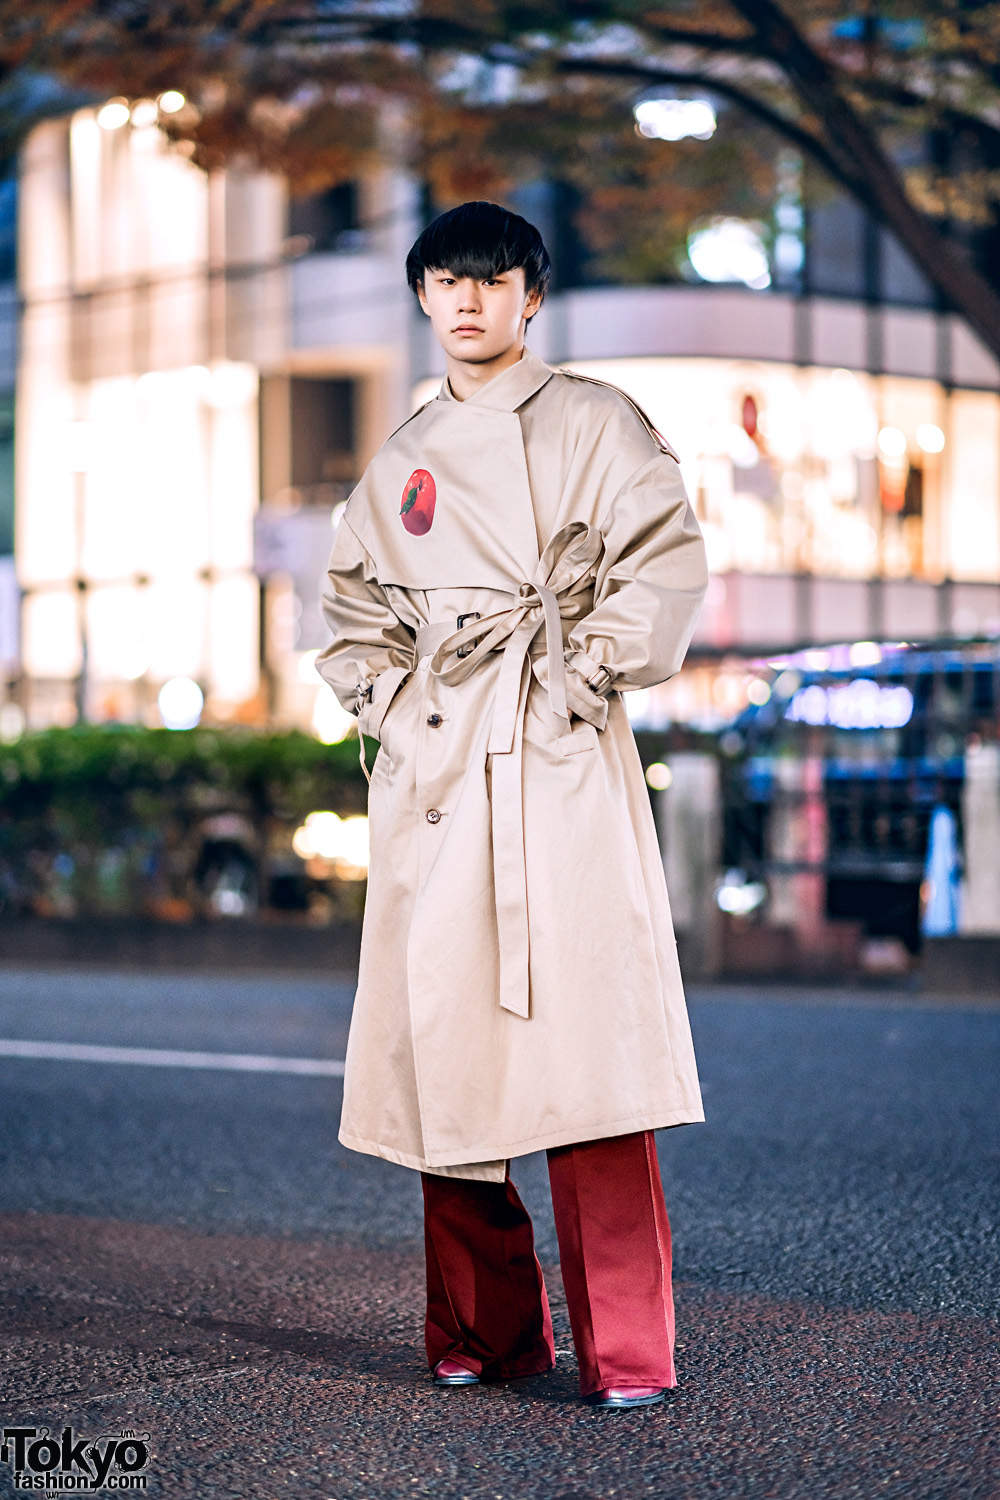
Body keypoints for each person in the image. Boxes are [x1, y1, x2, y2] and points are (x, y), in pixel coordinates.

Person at [317, 201, 708, 1409]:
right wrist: (391, 701)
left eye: (495, 280)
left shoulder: (596, 420)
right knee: (450, 1070)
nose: (472, 300)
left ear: (532, 295)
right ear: (424, 297)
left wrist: (579, 674)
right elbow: (351, 610)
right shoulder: (404, 452)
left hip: (551, 760)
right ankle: (487, 1333)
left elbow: (665, 559)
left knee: (589, 1066)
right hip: (439, 773)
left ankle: (628, 1351)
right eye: (449, 279)